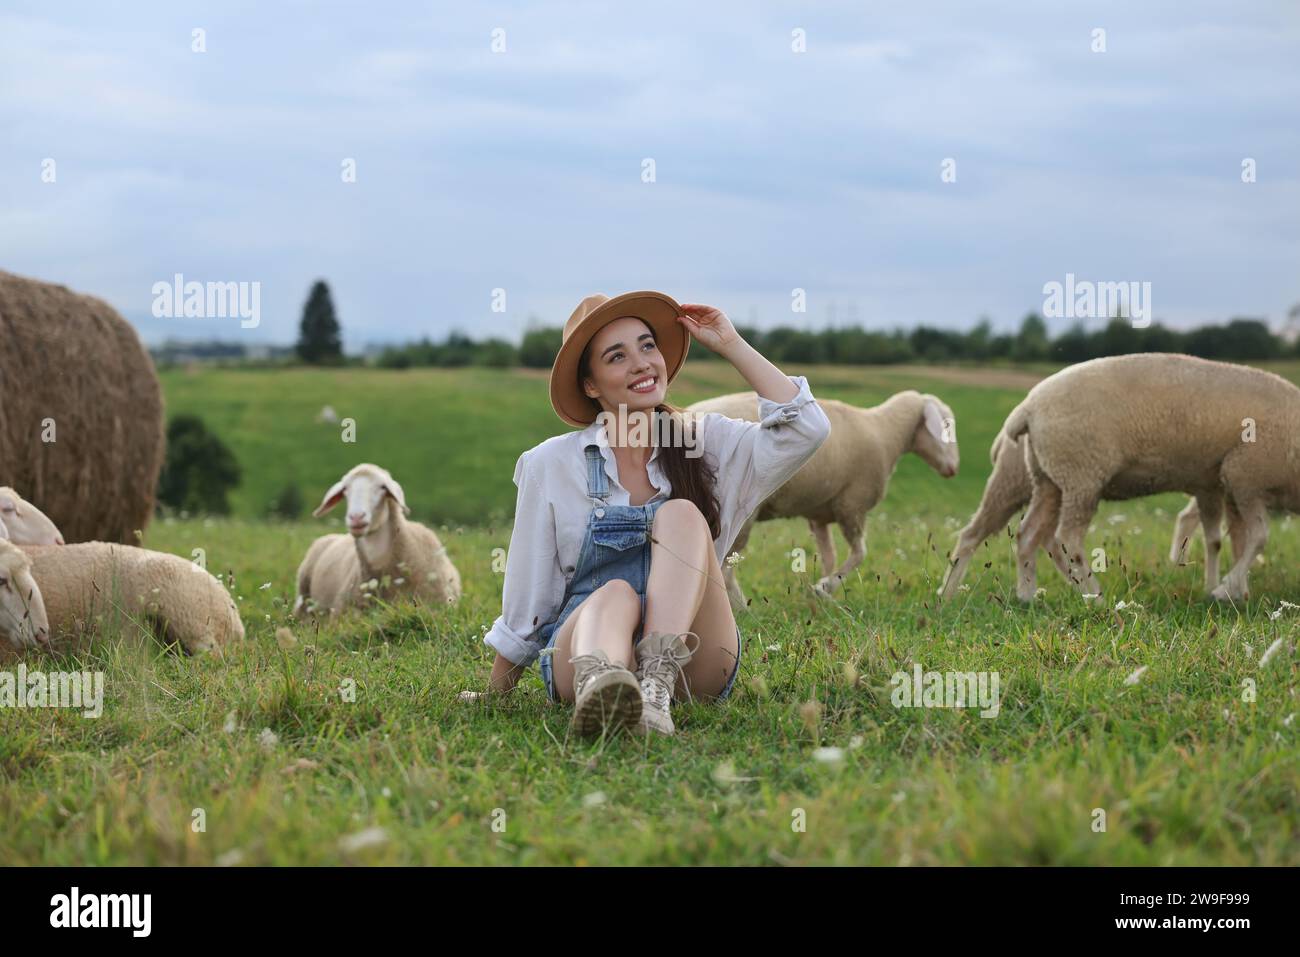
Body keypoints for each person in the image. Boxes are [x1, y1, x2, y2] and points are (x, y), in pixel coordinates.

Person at [476, 290, 831, 737]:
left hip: (692, 663)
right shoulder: (550, 464)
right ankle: (603, 688)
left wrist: (730, 344)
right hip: (587, 650)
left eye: (647, 346)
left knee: (682, 514)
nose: (642, 363)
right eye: (617, 356)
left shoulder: (707, 442)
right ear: (591, 384)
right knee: (615, 593)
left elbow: (807, 429)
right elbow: (530, 591)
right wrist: (496, 693)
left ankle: (654, 692)